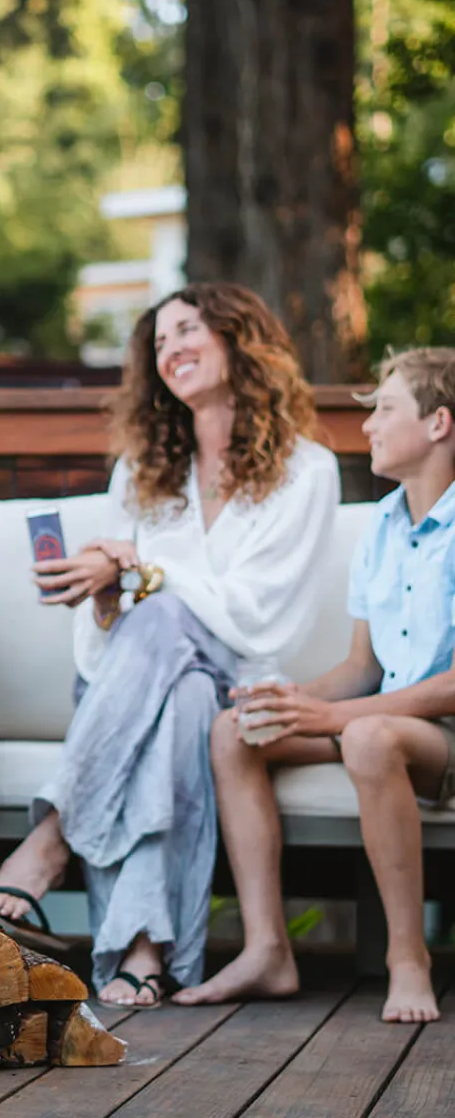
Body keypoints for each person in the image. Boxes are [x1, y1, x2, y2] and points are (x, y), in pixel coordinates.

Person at [0, 282, 339, 1006]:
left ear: (240, 340)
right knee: (181, 691)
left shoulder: (307, 471)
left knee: (188, 674)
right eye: (160, 342)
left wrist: (145, 574)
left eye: (188, 330)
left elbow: (263, 611)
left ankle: (54, 840)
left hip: (235, 679)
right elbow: (113, 630)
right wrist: (107, 592)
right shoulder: (142, 475)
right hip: (134, 681)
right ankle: (143, 948)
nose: (171, 350)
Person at [175, 349, 455, 1023]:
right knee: (237, 731)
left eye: (385, 409)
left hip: (436, 735)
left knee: (366, 736)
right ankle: (268, 950)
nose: (369, 426)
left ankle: (407, 959)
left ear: (439, 422)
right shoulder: (380, 527)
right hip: (385, 722)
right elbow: (362, 665)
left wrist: (336, 717)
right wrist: (292, 701)